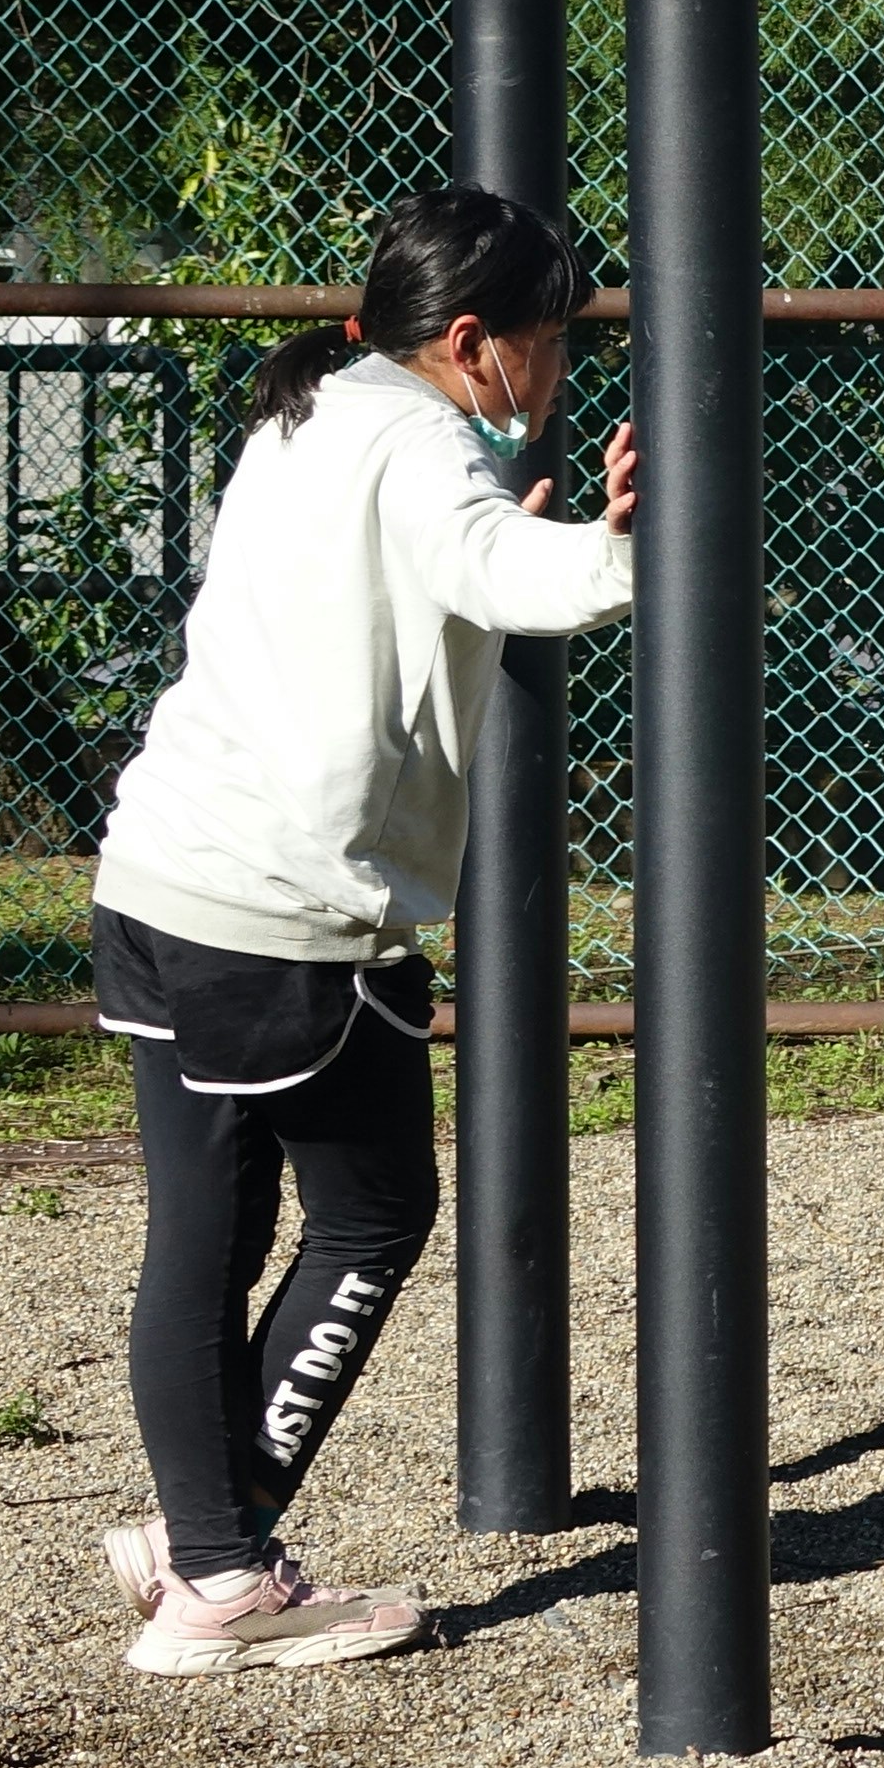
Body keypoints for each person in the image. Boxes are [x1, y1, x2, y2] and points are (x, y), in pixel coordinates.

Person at [83, 190, 641, 1673]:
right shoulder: (416, 440)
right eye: (552, 345)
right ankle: (216, 1573)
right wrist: (628, 545)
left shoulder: (316, 405)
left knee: (206, 1230)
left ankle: (204, 1538)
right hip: (282, 914)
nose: (562, 373)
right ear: (471, 342)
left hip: (160, 871)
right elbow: (497, 569)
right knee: (372, 1213)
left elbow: (432, 558)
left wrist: (506, 528)